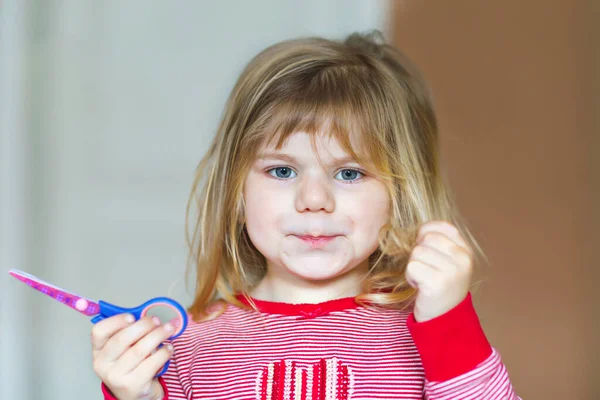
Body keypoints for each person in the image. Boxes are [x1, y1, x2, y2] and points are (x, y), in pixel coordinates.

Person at [91, 30, 520, 400]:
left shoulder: (426, 332)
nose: (314, 199)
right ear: (236, 191)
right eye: (282, 170)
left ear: (398, 195)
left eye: (349, 173)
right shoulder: (188, 346)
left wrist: (450, 323)